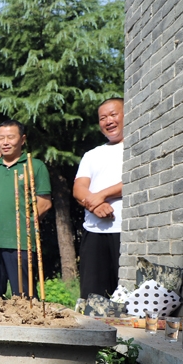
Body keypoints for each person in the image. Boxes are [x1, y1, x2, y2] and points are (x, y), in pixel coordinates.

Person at [0, 120, 52, 299]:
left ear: (22, 140)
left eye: (10, 137)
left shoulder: (34, 166)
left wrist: (26, 223)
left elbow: (44, 203)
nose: (5, 142)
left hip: (21, 241)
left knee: (24, 297)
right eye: (1, 138)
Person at [74, 98, 124, 299]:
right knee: (93, 297)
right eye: (103, 118)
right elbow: (79, 188)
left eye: (113, 115)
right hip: (93, 231)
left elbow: (137, 180)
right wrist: (95, 206)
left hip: (125, 230)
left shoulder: (137, 147)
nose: (108, 121)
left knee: (126, 296)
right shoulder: (92, 154)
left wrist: (101, 196)